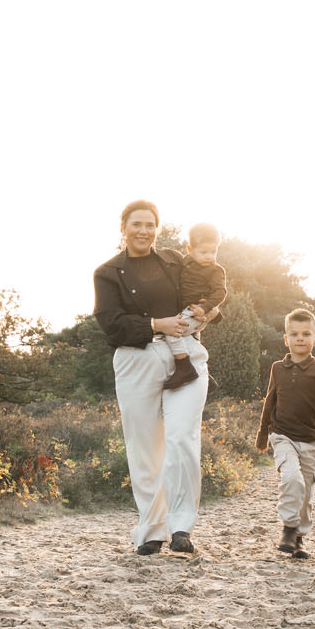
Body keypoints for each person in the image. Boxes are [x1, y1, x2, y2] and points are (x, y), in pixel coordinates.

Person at [93, 199, 209, 555]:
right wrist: (155, 324)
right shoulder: (107, 273)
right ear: (123, 228)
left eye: (150, 224)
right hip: (135, 360)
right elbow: (111, 325)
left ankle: (180, 528)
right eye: (136, 224)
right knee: (144, 448)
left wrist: (207, 311)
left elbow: (204, 289)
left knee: (180, 440)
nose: (143, 230)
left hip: (184, 355)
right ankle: (152, 529)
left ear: (157, 228)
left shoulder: (176, 261)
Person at [255, 308, 315, 558]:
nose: (300, 338)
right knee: (292, 479)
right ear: (286, 338)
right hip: (282, 435)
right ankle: (288, 528)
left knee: (307, 491)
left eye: (306, 334)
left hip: (312, 439)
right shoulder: (278, 367)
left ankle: (298, 538)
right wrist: (262, 433)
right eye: (294, 334)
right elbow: (270, 401)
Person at [165, 223, 228, 392]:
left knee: (173, 332)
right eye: (203, 252)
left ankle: (184, 367)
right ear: (190, 250)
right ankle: (206, 379)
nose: (209, 256)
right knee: (191, 340)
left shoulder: (215, 270)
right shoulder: (185, 263)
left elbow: (221, 292)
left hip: (196, 310)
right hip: (185, 310)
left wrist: (206, 307)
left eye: (213, 252)